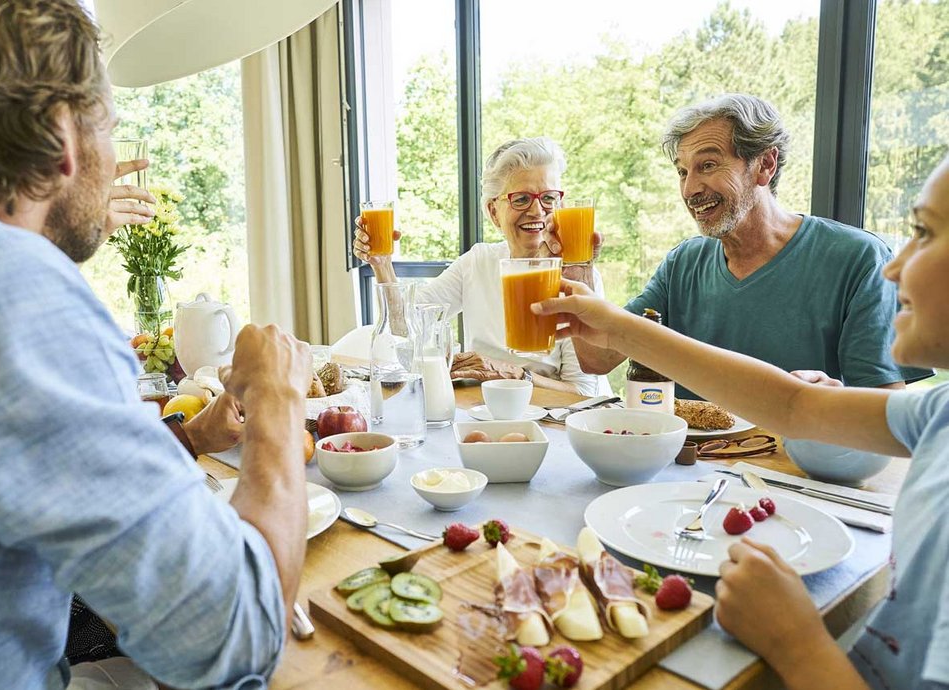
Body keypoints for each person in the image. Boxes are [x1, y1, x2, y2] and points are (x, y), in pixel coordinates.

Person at [0, 2, 312, 689]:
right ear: (61, 133)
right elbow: (234, 638)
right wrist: (278, 398)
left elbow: (27, 471)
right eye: (112, 126)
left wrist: (187, 440)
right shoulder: (16, 291)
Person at [531, 153, 949, 690]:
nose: (894, 266)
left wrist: (794, 640)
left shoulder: (855, 260)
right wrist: (618, 329)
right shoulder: (938, 413)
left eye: (925, 233)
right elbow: (794, 407)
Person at [562, 93, 929, 397]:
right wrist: (574, 261)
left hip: (790, 473)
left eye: (708, 164)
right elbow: (597, 359)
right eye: (682, 171)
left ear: (765, 165)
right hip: (686, 472)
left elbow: (886, 411)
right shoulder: (683, 263)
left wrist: (832, 399)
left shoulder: (858, 259)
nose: (690, 189)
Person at [354, 137, 609, 395]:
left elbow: (583, 391)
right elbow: (406, 326)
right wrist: (382, 263)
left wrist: (517, 374)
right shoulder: (477, 263)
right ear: (493, 212)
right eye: (521, 199)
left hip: (547, 419)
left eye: (549, 198)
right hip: (482, 411)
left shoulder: (578, 277)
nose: (537, 210)